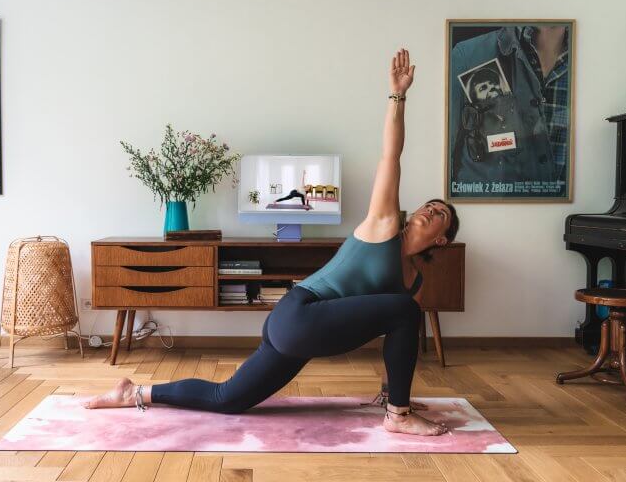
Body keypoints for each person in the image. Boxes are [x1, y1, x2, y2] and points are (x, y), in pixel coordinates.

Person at [86, 49, 460, 436]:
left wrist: (392, 388)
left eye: (440, 214)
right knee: (405, 311)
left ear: (442, 239)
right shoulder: (384, 224)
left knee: (228, 398)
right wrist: (398, 96)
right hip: (301, 315)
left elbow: (394, 338)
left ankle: (134, 392)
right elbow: (390, 156)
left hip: (300, 327)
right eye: (428, 205)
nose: (429, 211)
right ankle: (398, 416)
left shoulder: (413, 281)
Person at [449, 25, 570, 190]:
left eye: (492, 85)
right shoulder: (469, 55)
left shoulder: (592, 60)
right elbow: (439, 155)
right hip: (486, 203)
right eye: (484, 88)